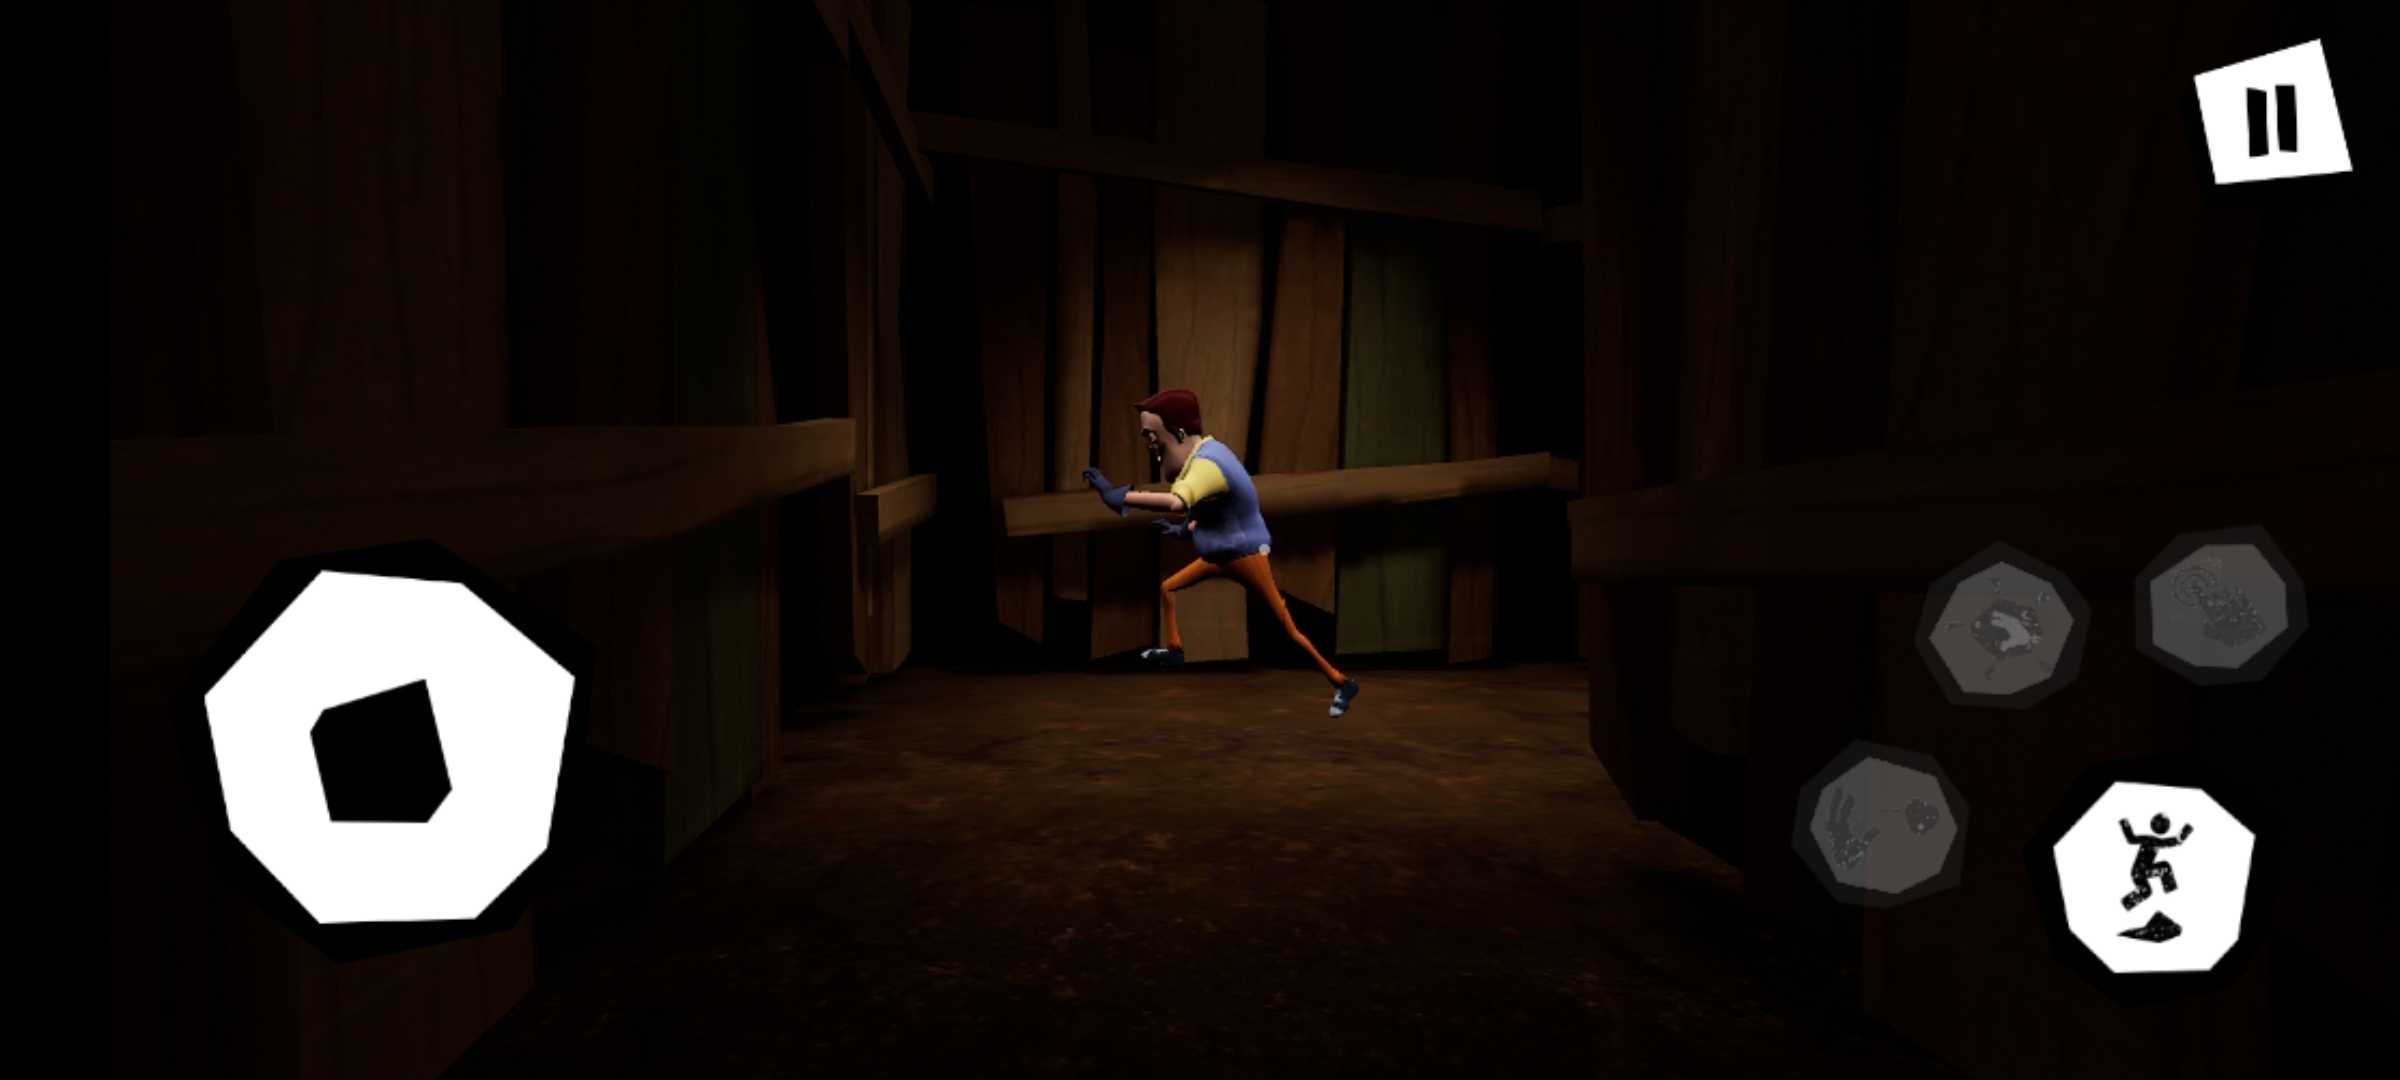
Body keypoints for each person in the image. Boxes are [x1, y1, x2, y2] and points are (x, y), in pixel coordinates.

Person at [1081, 388, 1363, 718]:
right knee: (1168, 588)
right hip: (1219, 556)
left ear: (1179, 433)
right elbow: (1211, 510)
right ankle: (1175, 650)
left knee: (1288, 629)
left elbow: (1177, 502)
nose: (1148, 442)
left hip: (1245, 557)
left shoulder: (1207, 464)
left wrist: (1119, 497)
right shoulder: (1200, 457)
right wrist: (1184, 531)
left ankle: (1342, 682)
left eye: (1152, 435)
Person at [2120, 812, 2193, 910]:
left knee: (2146, 891)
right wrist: (2186, 831)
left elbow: (2131, 839)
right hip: (2141, 872)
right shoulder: (2154, 841)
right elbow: (2174, 842)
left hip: (2137, 872)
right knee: (2165, 868)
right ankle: (2171, 894)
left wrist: (2124, 823)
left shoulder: (2151, 840)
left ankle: (2125, 904)